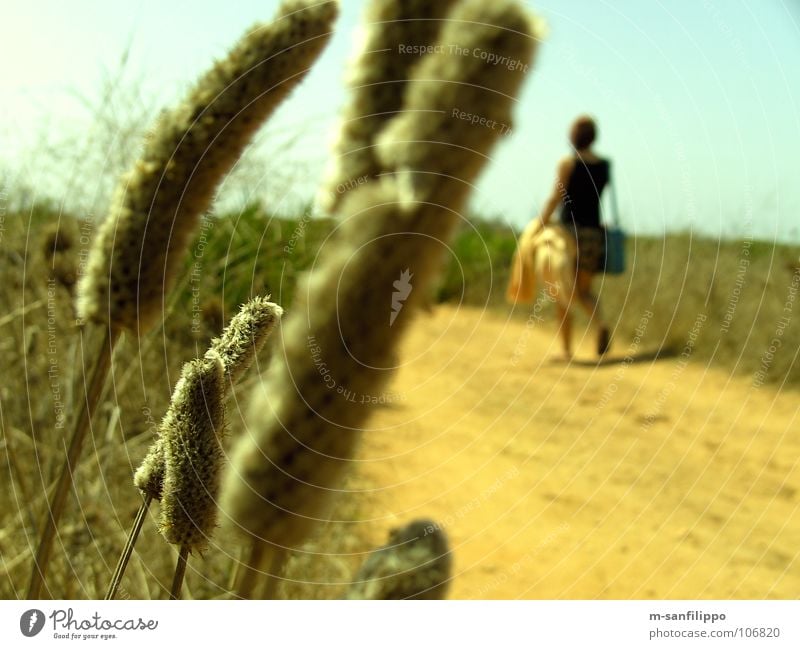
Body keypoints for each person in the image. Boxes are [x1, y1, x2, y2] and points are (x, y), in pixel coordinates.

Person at [534, 115, 611, 359]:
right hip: (594, 234)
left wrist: (540, 223)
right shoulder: (604, 165)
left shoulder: (568, 163)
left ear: (574, 136)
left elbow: (555, 197)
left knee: (564, 292)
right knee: (584, 290)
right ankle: (601, 323)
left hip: (568, 234)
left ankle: (566, 350)